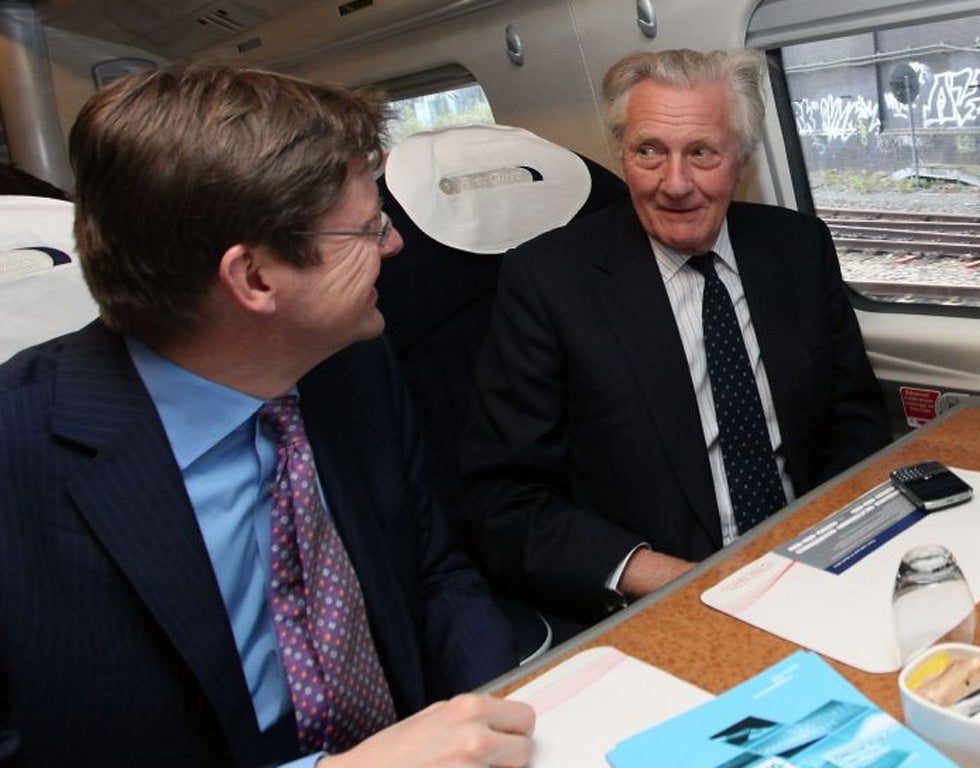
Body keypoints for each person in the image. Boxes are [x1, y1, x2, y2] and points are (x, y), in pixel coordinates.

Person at [0, 65, 533, 767]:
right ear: (253, 278)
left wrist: (517, 708)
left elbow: (434, 575)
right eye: (368, 229)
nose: (395, 245)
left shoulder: (354, 367)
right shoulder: (19, 462)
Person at [459, 48, 891, 626]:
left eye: (702, 153)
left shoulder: (798, 247)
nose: (676, 184)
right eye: (648, 153)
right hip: (665, 591)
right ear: (623, 154)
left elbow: (854, 416)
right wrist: (667, 577)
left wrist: (829, 531)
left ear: (740, 158)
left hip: (814, 557)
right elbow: (503, 501)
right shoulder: (548, 283)